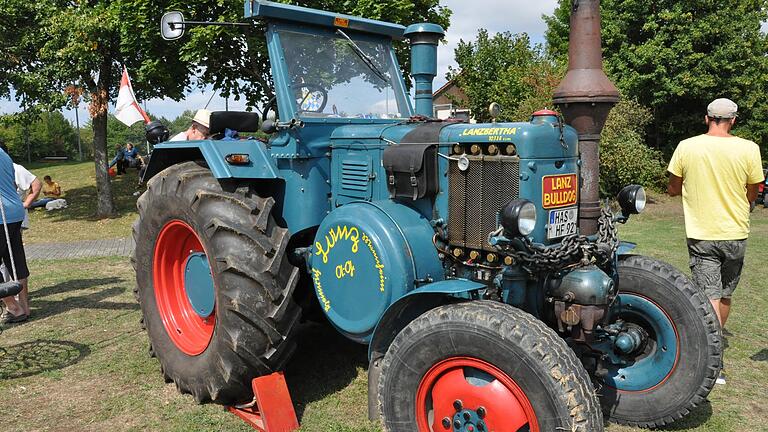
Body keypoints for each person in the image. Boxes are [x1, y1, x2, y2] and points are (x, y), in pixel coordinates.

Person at [667, 98, 764, 385]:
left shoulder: (687, 146)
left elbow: (673, 187)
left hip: (703, 233)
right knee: (724, 294)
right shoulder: (749, 148)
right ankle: (715, 350)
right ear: (733, 120)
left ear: (706, 117)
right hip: (736, 232)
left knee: (707, 296)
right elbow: (753, 190)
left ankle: (712, 362)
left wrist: (680, 189)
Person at [0, 145, 31, 324]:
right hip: (14, 211)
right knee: (15, 259)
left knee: (13, 259)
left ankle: (13, 307)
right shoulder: (4, 154)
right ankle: (24, 305)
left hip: (1, 214)